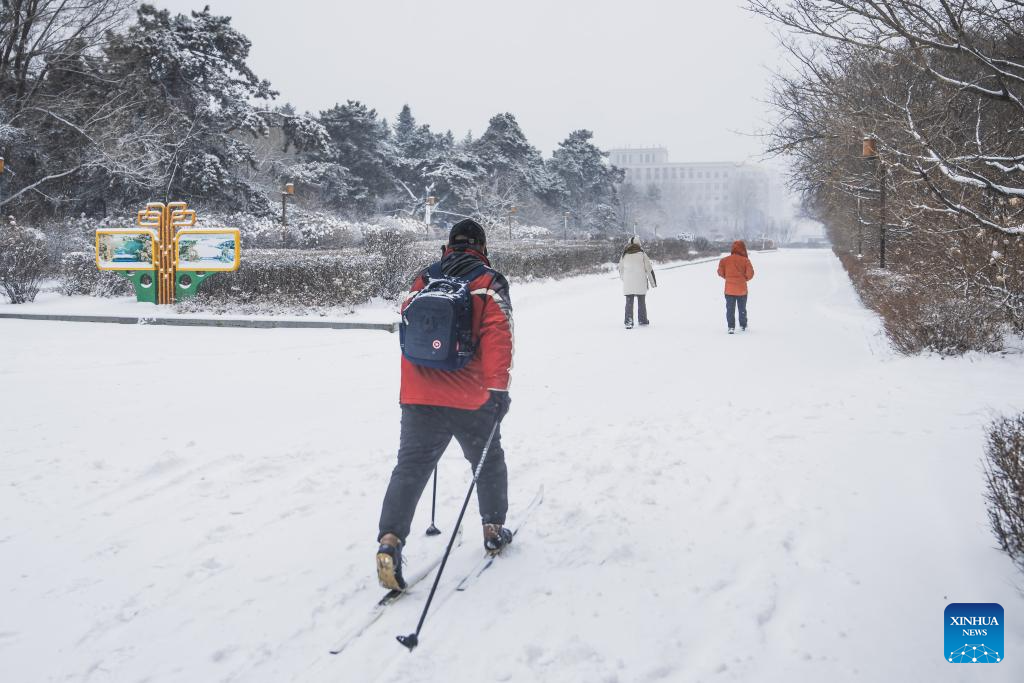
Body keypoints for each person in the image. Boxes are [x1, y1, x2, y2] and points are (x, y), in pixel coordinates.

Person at [376, 219, 514, 590]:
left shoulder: (424, 279)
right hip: (470, 396)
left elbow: (411, 333)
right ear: (482, 247)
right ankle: (493, 527)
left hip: (419, 395)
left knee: (410, 468)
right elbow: (498, 337)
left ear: (448, 246)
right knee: (487, 461)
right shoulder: (489, 282)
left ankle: (389, 540)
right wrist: (498, 390)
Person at [617, 235, 657, 329]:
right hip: (640, 282)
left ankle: (628, 322)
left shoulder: (624, 255)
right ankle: (642, 320)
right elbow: (649, 269)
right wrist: (653, 283)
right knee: (641, 301)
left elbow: (620, 269)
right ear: (639, 243)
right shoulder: (642, 254)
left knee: (629, 302)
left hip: (628, 283)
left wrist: (624, 279)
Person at [717, 240, 755, 334]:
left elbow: (720, 272)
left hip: (729, 289)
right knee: (742, 308)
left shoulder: (724, 260)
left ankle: (731, 327)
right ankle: (743, 325)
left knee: (730, 309)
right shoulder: (745, 260)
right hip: (742, 289)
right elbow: (750, 273)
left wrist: (728, 277)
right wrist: (743, 279)